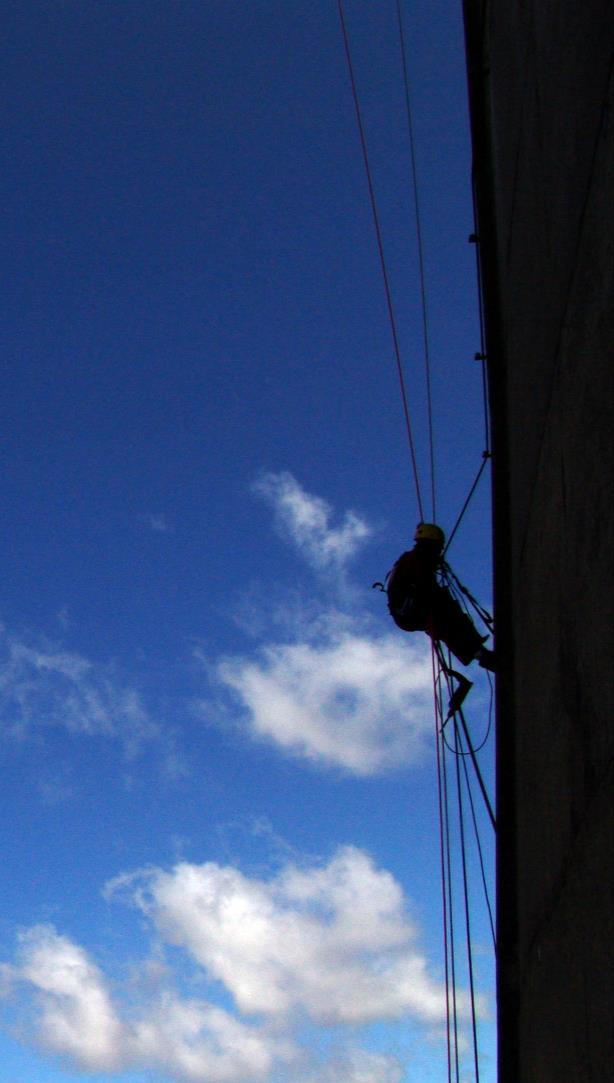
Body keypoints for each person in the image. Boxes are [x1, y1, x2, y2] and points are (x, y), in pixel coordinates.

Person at [387, 522, 496, 671]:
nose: (440, 550)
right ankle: (480, 653)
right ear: (432, 543)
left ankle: (478, 651)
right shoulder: (417, 560)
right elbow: (425, 584)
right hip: (410, 609)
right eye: (438, 547)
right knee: (447, 616)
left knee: (447, 615)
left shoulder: (414, 559)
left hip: (407, 610)